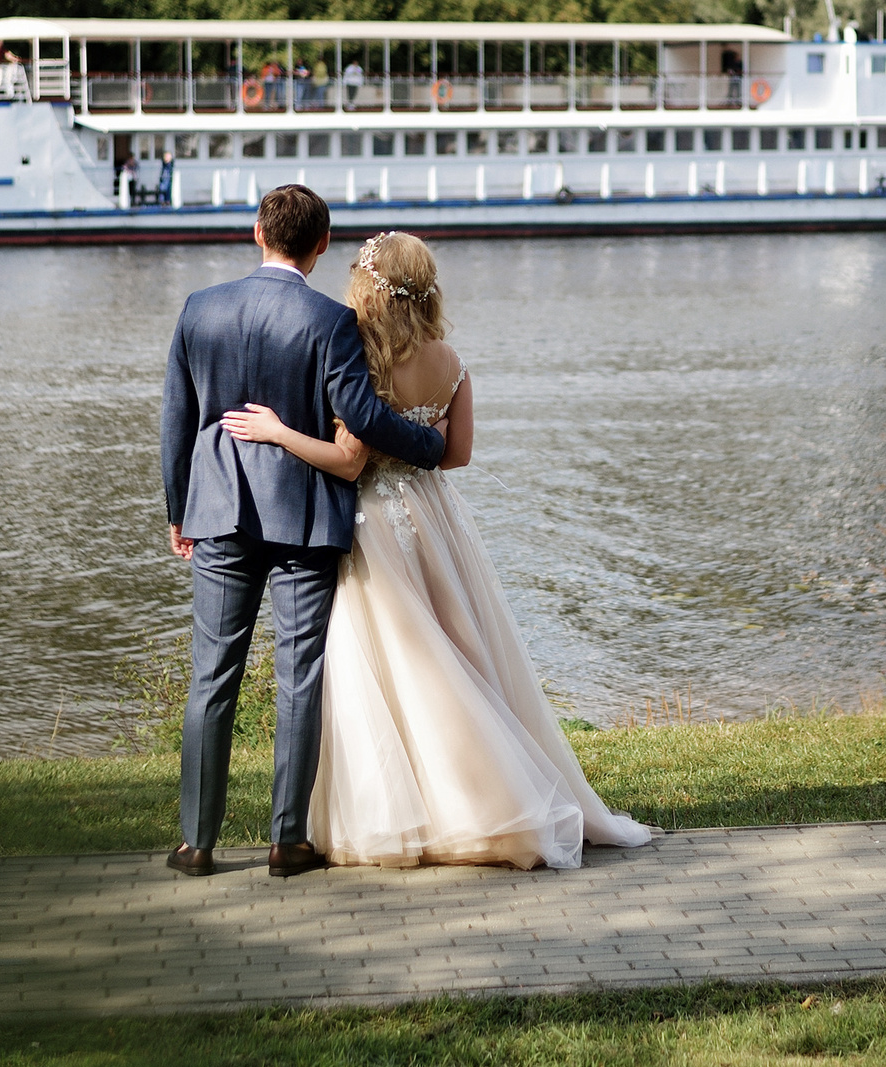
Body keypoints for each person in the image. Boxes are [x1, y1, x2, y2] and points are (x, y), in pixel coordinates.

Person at [220, 232, 655, 871]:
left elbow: (346, 462)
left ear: (368, 286)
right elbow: (457, 456)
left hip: (372, 524)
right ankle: (493, 794)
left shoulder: (359, 357)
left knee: (394, 665)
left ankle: (411, 814)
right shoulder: (450, 361)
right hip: (436, 518)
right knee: (461, 652)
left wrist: (279, 433)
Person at [158, 187, 450, 878]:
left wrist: (179, 506)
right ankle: (286, 841)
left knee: (211, 679)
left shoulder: (201, 310)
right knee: (300, 678)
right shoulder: (330, 320)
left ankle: (196, 844)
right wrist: (431, 445)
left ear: (257, 232)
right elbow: (363, 416)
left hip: (219, 512)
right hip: (304, 519)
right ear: (321, 246)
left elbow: (177, 416)